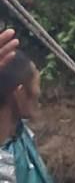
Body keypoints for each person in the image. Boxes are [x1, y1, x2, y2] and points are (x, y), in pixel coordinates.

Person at [0, 51, 52, 183]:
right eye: (36, 95)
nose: (39, 103)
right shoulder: (4, 166)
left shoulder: (19, 130)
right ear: (20, 95)